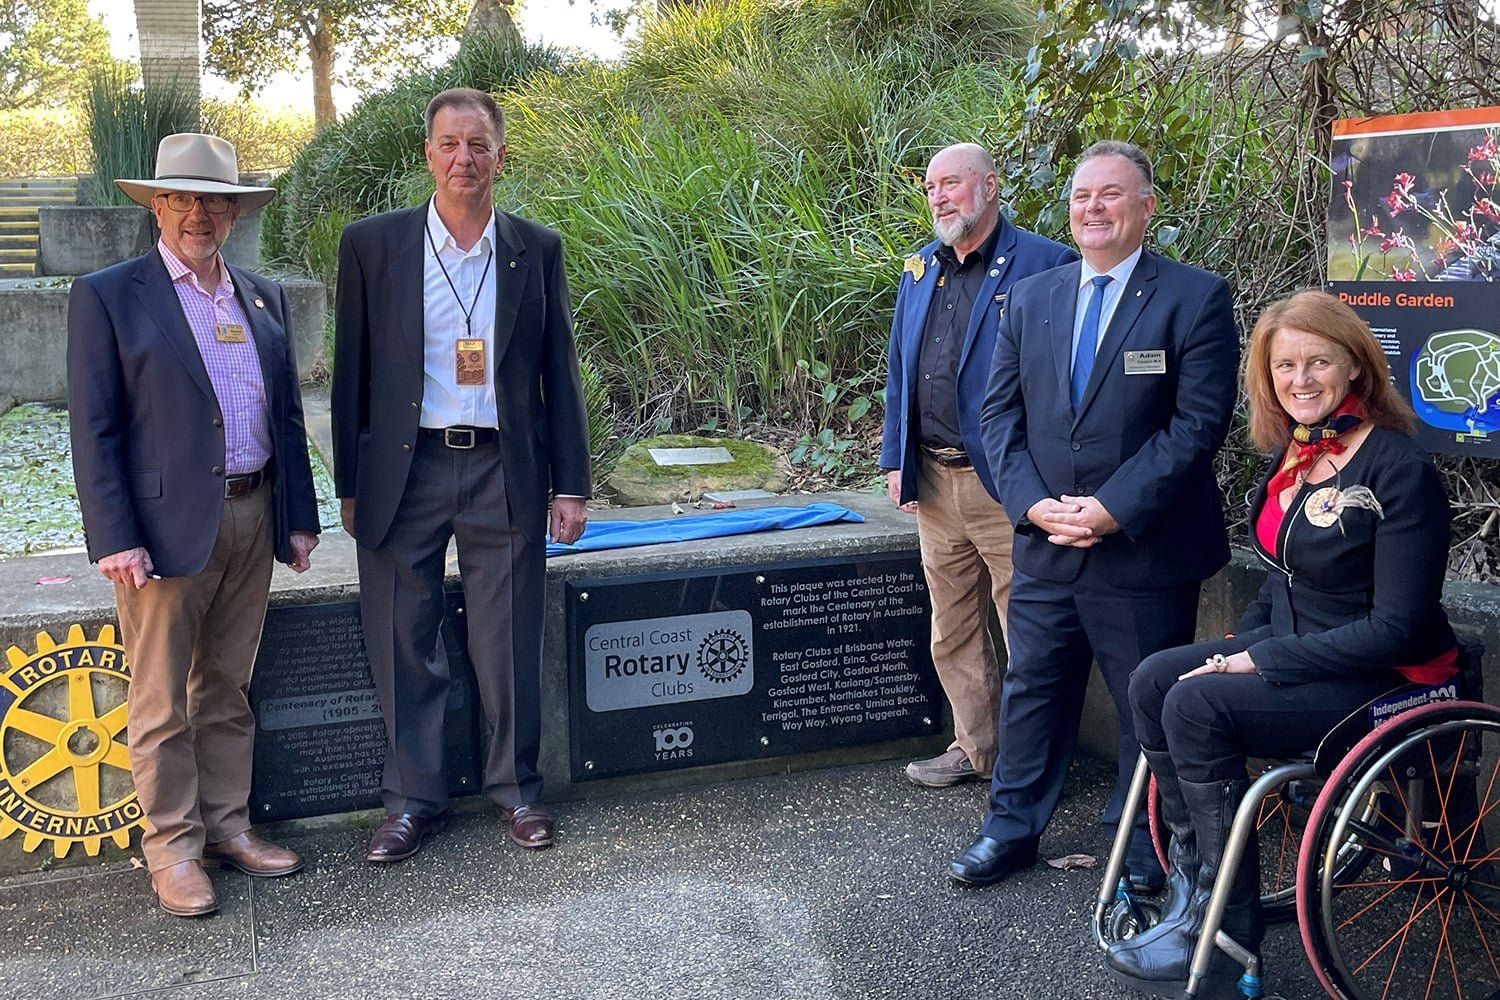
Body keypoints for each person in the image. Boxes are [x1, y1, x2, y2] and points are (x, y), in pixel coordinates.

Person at [1104, 290, 1458, 997]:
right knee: (1153, 680)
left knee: (1198, 706)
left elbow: (1397, 628)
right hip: (1303, 651)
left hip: (1390, 676)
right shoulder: (1295, 453)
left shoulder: (1399, 469)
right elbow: (1280, 578)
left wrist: (1258, 659)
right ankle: (1194, 891)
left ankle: (1228, 936)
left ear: (1354, 365)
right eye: (1283, 365)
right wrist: (1240, 643)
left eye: (1318, 361)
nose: (1300, 379)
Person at [951, 140, 1239, 887]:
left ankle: (1141, 843)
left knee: (1145, 704)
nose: (1093, 208)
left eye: (1111, 194)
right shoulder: (1032, 296)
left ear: (1146, 207)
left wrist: (1112, 508)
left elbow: (1197, 425)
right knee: (1031, 691)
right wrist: (1032, 504)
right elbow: (998, 417)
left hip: (1144, 549)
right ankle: (1010, 829)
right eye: (1082, 196)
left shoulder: (1195, 297)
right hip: (1047, 541)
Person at [331, 87, 589, 862]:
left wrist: (570, 484)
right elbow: (350, 376)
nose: (463, 159)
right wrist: (349, 484)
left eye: (478, 145)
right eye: (449, 143)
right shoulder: (372, 245)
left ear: (501, 157)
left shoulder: (535, 248)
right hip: (403, 470)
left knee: (506, 638)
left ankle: (517, 791)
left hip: (502, 468)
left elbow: (559, 372)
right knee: (402, 639)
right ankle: (413, 803)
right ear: (428, 154)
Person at [67, 133, 321, 916]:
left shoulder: (261, 296)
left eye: (213, 200)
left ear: (235, 213)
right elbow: (94, 427)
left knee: (227, 689)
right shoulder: (110, 295)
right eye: (180, 198)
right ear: (157, 207)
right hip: (162, 532)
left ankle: (228, 828)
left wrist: (298, 517)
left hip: (253, 515)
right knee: (160, 699)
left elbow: (285, 414)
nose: (197, 214)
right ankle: (173, 851)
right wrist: (114, 535)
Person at [881, 143, 1076, 788]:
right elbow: (901, 369)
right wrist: (897, 458)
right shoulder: (919, 268)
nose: (938, 197)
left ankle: (1034, 767)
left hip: (1009, 484)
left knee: (1029, 629)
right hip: (934, 483)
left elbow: (1064, 381)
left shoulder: (1046, 263)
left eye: (951, 184)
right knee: (953, 627)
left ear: (990, 186)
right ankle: (978, 749)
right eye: (930, 187)